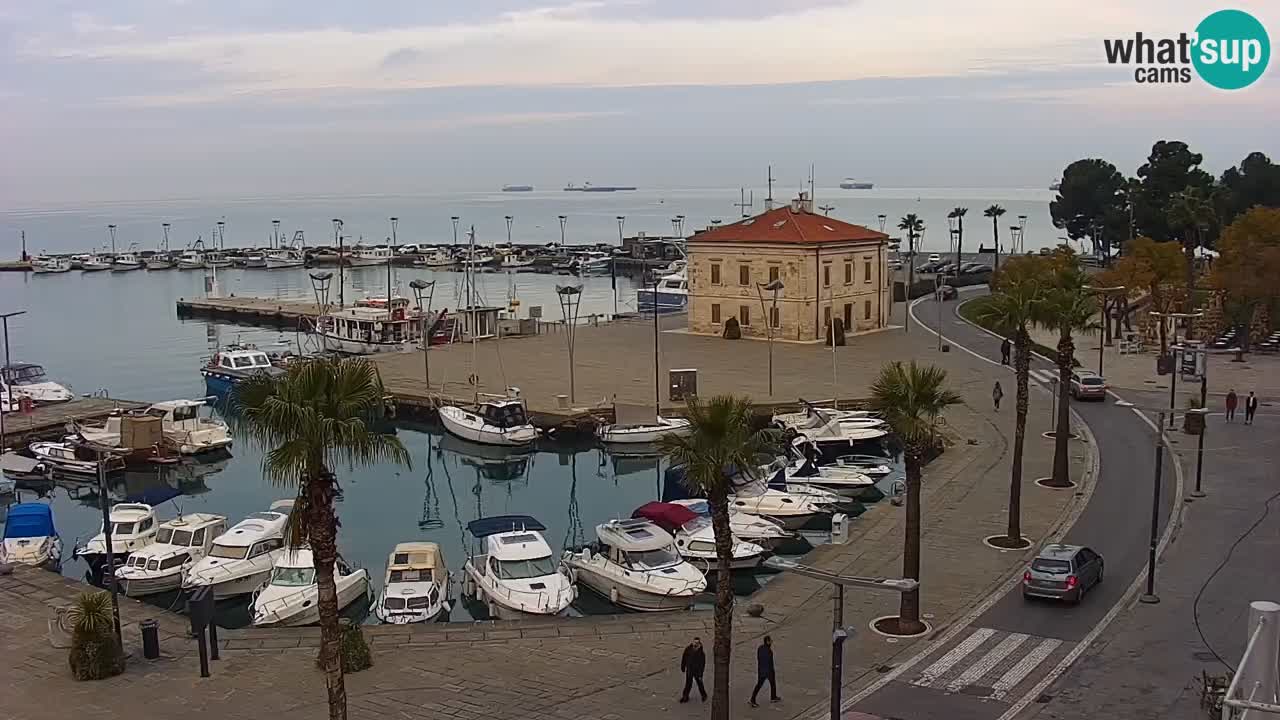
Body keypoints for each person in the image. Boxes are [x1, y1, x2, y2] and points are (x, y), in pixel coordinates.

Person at [749, 635, 779, 707]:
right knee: (771, 684)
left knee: (760, 685)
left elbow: (759, 659)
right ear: (767, 642)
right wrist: (771, 671)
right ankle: (753, 699)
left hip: (761, 670)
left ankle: (772, 696)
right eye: (770, 641)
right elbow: (769, 662)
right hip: (768, 671)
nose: (771, 642)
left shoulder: (760, 648)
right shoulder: (769, 651)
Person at [679, 637, 706, 703]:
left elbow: (702, 665)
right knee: (688, 684)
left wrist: (700, 674)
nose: (696, 644)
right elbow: (684, 658)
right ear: (693, 642)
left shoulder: (701, 653)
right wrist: (683, 666)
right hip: (689, 670)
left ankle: (704, 695)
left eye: (697, 642)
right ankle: (685, 696)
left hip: (697, 671)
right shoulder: (688, 649)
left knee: (699, 684)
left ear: (699, 643)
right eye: (695, 642)